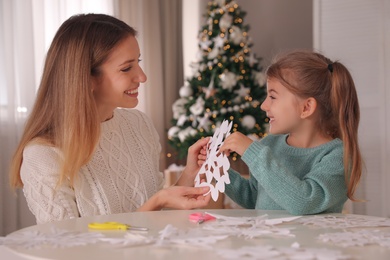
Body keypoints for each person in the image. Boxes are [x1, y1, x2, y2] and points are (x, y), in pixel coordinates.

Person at [9, 13, 210, 224]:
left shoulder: (138, 124)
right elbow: (69, 247)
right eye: (126, 68)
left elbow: (157, 219)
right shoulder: (43, 155)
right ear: (87, 79)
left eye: (138, 62)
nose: (142, 77)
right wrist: (157, 201)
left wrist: (189, 173)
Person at [215, 50, 363, 215]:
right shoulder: (268, 144)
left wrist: (253, 153)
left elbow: (304, 202)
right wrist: (221, 172)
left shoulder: (337, 157)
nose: (264, 105)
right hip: (266, 240)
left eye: (273, 96)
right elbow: (254, 199)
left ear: (306, 108)